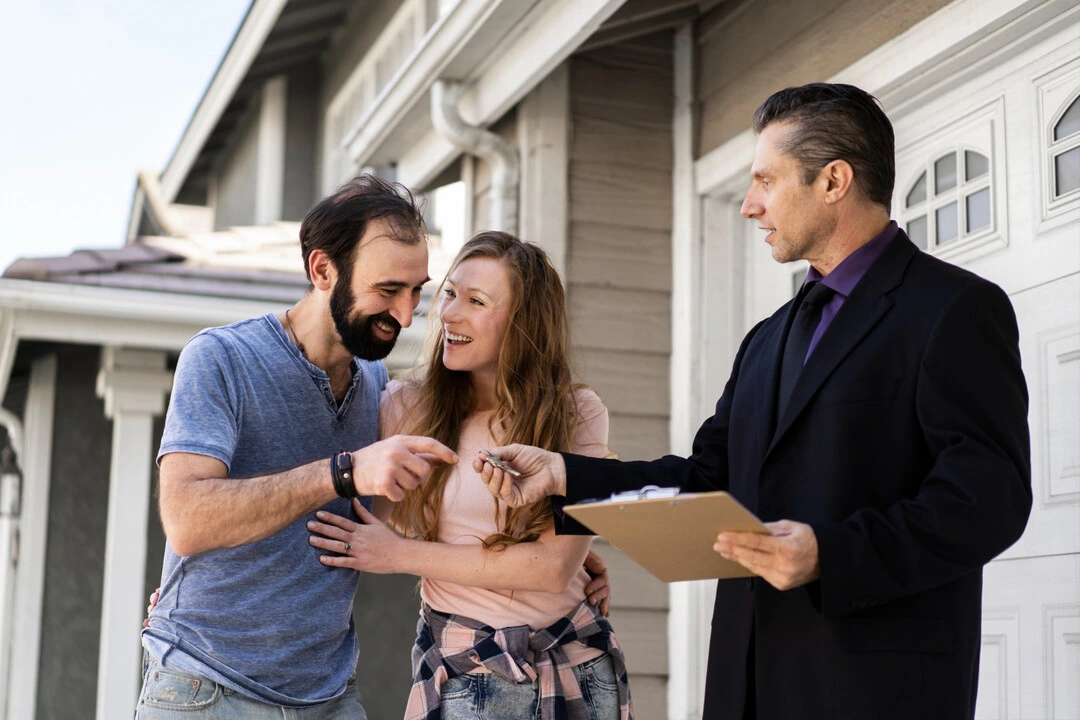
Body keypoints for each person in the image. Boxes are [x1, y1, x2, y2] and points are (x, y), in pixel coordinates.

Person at [476, 84, 1032, 720]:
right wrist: (566, 475)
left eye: (766, 181)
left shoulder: (955, 309)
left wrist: (832, 554)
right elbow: (711, 480)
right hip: (746, 681)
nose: (749, 206)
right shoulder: (766, 339)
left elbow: (988, 500)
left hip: (875, 687)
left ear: (834, 181)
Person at [137, 174, 460, 718]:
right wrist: (342, 472)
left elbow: (420, 511)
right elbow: (187, 520)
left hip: (329, 697)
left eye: (416, 292)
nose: (406, 316)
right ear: (322, 270)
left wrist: (556, 553)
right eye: (387, 291)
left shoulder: (379, 388)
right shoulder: (221, 358)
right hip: (207, 690)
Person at [307, 232, 634, 720]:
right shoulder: (404, 407)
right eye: (452, 293)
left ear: (523, 325)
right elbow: (333, 512)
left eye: (476, 301)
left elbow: (551, 570)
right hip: (469, 671)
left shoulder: (575, 412)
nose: (449, 314)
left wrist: (400, 556)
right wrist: (200, 586)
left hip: (577, 665)